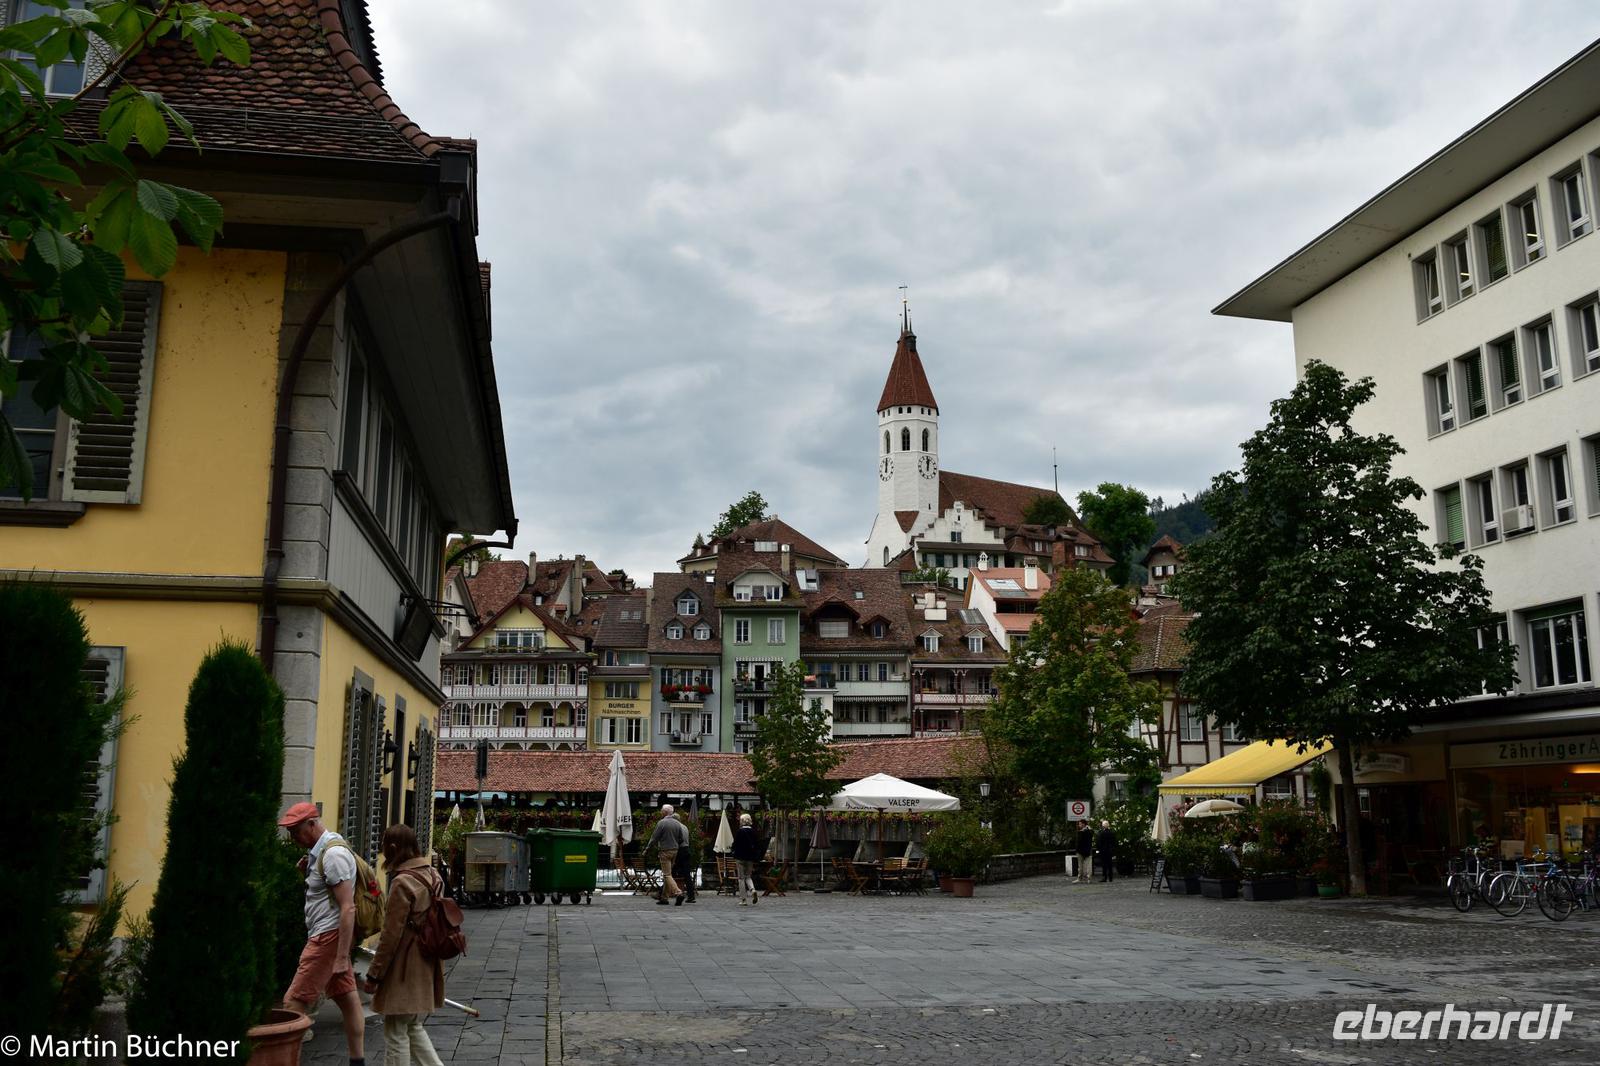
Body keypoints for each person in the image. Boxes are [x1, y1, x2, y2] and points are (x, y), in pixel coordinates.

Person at [279, 802, 365, 1066]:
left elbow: (348, 908)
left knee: (293, 1003)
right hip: (328, 936)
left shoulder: (333, 856)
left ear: (313, 824)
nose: (293, 838)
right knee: (347, 999)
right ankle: (357, 1061)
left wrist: (340, 957)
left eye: (296, 831)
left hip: (326, 938)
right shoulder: (322, 851)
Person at [363, 825, 446, 1066]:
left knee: (396, 1030)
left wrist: (375, 974)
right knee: (411, 1024)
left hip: (404, 965)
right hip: (427, 957)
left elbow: (390, 936)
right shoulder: (433, 874)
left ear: (392, 848)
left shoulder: (402, 882)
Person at [647, 804, 689, 905]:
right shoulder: (677, 823)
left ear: (665, 812)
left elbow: (654, 837)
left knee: (667, 874)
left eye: (661, 810)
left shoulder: (661, 823)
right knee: (668, 874)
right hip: (675, 850)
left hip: (665, 850)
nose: (660, 812)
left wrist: (647, 848)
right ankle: (664, 898)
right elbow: (681, 838)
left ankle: (678, 892)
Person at [732, 813, 762, 905]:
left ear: (742, 821)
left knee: (741, 878)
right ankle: (752, 890)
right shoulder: (753, 832)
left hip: (740, 857)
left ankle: (743, 900)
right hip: (750, 858)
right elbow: (757, 845)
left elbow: (735, 844)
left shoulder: (739, 832)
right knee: (748, 876)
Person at [672, 827, 699, 905]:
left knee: (670, 873)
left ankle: (664, 893)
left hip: (679, 851)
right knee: (687, 876)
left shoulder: (676, 827)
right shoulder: (685, 827)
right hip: (686, 850)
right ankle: (691, 896)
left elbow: (678, 840)